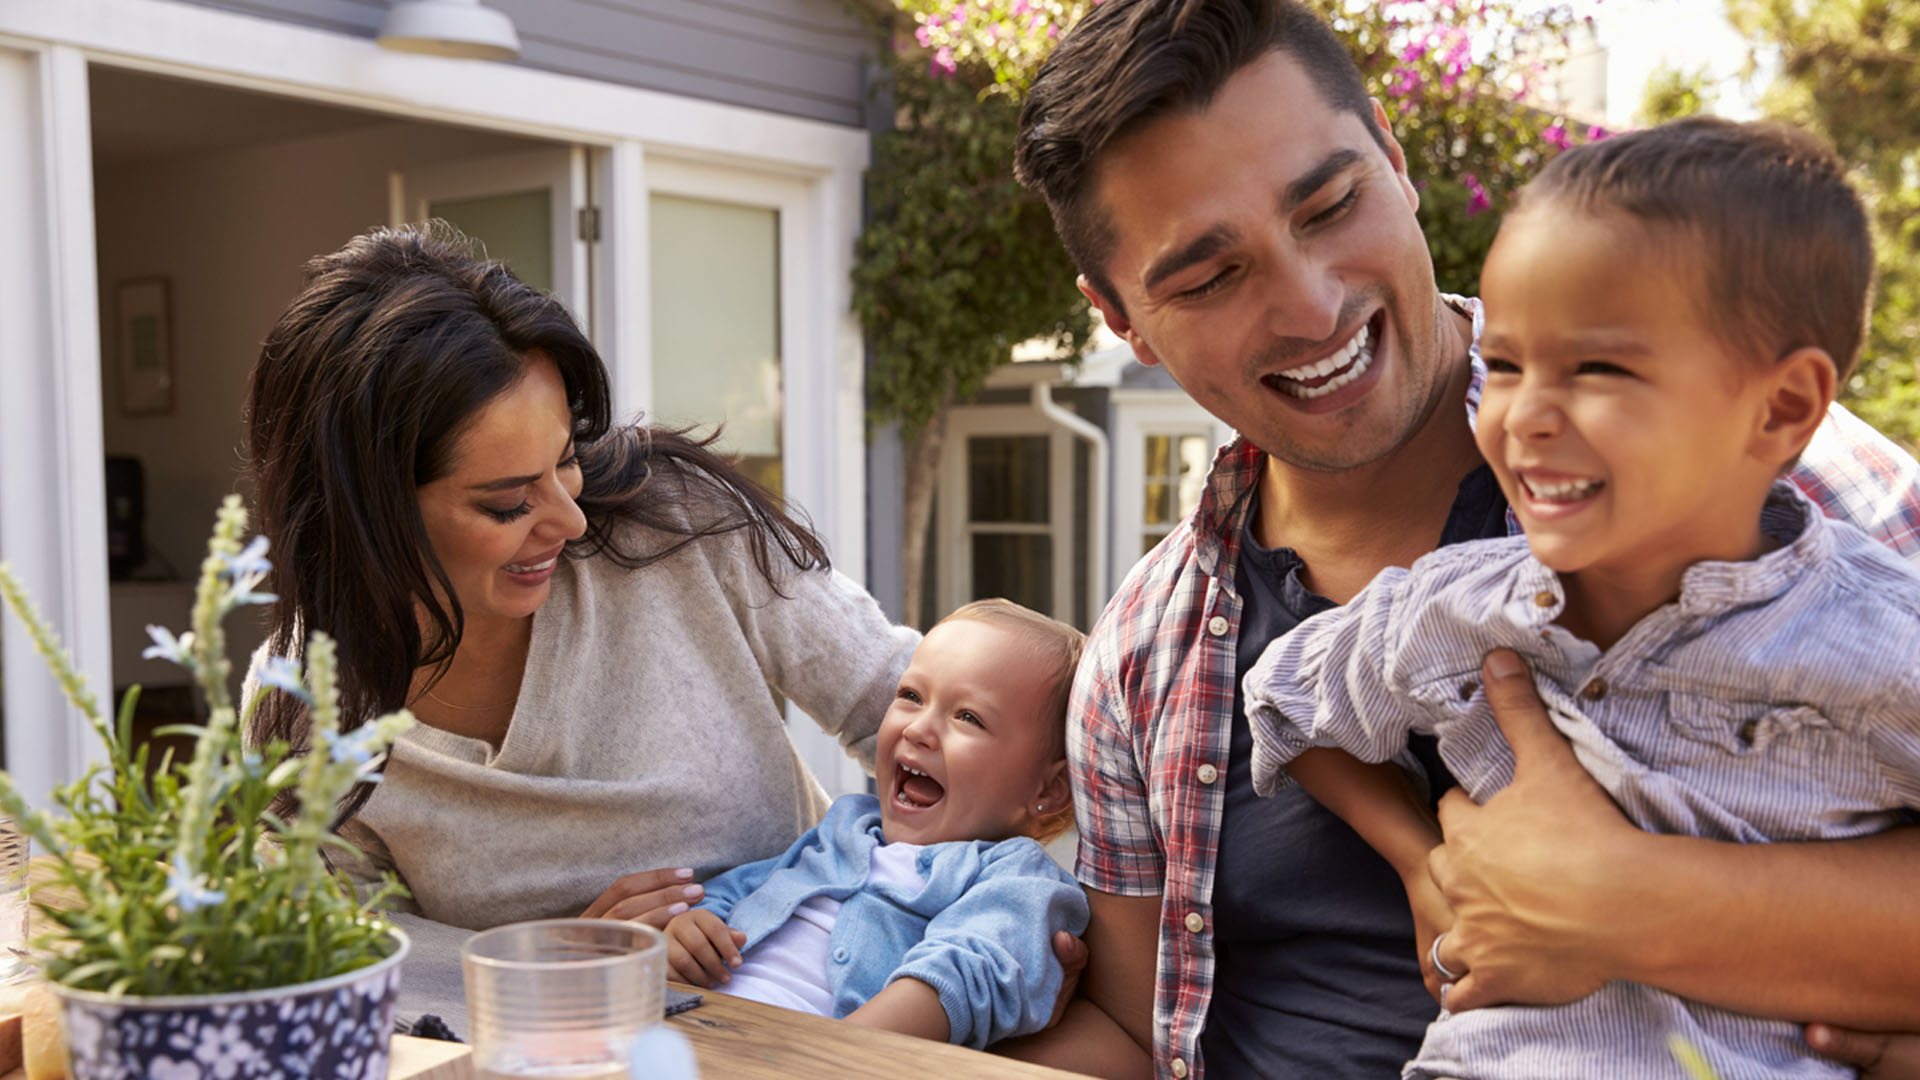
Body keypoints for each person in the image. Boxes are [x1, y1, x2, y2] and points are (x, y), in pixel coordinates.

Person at [1003, 1, 1920, 1076]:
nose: (1311, 305)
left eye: (1332, 204)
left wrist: (1615, 902)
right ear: (1121, 320)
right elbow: (1130, 1030)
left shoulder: (1776, 477)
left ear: (1393, 158)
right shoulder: (1138, 654)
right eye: (1209, 279)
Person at [1241, 117, 1920, 1080]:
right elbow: (1283, 699)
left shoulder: (1883, 636)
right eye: (1509, 365)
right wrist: (1420, 861)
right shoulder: (1458, 608)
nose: (1525, 416)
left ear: (1780, 409)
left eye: (1598, 369)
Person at [242, 223, 920, 931]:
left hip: (833, 997)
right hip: (558, 1039)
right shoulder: (304, 710)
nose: (569, 520)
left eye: (566, 459)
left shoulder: (676, 525)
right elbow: (358, 953)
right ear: (365, 514)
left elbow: (909, 708)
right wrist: (571, 957)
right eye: (508, 502)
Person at [664, 599, 1090, 1049]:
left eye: (969, 717)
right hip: (682, 1030)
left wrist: (832, 1056)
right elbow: (745, 889)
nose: (918, 729)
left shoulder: (1016, 877)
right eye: (910, 696)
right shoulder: (844, 829)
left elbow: (968, 971)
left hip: (802, 1057)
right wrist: (696, 926)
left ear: (1049, 790)